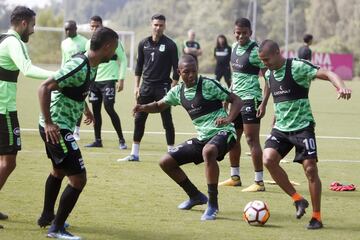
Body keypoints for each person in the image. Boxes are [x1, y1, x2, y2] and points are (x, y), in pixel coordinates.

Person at [133, 55, 242, 220]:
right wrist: (142, 107)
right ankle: (195, 195)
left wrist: (229, 119)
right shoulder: (177, 91)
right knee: (166, 162)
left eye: (194, 71)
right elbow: (158, 106)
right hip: (203, 137)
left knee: (209, 151)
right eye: (186, 72)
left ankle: (213, 204)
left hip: (225, 132)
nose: (191, 75)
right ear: (179, 72)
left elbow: (236, 100)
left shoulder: (208, 84)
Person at [258, 39, 351, 229]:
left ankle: (316, 217)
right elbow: (269, 84)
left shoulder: (297, 66)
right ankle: (298, 199)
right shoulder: (269, 73)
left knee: (310, 170)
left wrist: (340, 86)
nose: (264, 64)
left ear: (277, 53)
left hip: (303, 127)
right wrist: (264, 103)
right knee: (268, 160)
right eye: (262, 61)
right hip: (281, 128)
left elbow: (327, 72)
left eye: (266, 59)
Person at [37, 27, 119, 239]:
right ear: (107, 46)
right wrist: (48, 123)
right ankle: (57, 228)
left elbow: (74, 89)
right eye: (115, 47)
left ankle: (47, 216)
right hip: (57, 127)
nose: (115, 52)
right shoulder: (79, 64)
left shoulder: (93, 65)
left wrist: (85, 109)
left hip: (62, 125)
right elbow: (44, 88)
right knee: (78, 179)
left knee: (58, 171)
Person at [0, 6, 54, 229]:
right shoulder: (13, 42)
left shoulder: (4, 38)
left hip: (3, 107)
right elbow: (27, 69)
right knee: (9, 161)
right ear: (23, 23)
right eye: (32, 25)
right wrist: (58, 75)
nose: (33, 29)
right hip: (3, 109)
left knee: (5, 160)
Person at [119, 14, 179, 162]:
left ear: (164, 26)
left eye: (161, 25)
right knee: (139, 118)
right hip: (145, 87)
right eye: (155, 25)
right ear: (151, 25)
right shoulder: (143, 43)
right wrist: (136, 86)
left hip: (163, 87)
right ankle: (134, 154)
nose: (158, 27)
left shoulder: (170, 45)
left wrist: (172, 88)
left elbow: (176, 69)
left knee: (167, 120)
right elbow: (139, 67)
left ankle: (172, 153)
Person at [219, 18, 269, 192]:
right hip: (236, 100)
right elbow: (235, 76)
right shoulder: (233, 47)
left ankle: (259, 181)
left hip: (251, 99)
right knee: (233, 138)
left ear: (250, 32)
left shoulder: (256, 51)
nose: (240, 36)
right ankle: (235, 177)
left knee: (251, 140)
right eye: (237, 33)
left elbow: (268, 79)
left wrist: (263, 103)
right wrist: (228, 95)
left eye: (244, 33)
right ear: (234, 32)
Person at [84, 15, 128, 149]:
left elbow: (123, 59)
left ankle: (121, 140)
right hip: (94, 81)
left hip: (109, 79)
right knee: (95, 111)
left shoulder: (113, 43)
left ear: (101, 26)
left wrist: (121, 79)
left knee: (109, 107)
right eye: (92, 26)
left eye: (97, 26)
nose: (94, 29)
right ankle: (98, 140)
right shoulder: (88, 43)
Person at [60, 20, 88, 141]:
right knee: (66, 101)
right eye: (65, 29)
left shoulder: (84, 42)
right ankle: (66, 128)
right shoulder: (64, 43)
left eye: (69, 29)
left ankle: (76, 131)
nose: (67, 32)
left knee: (79, 101)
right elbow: (64, 59)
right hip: (67, 76)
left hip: (81, 76)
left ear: (75, 29)